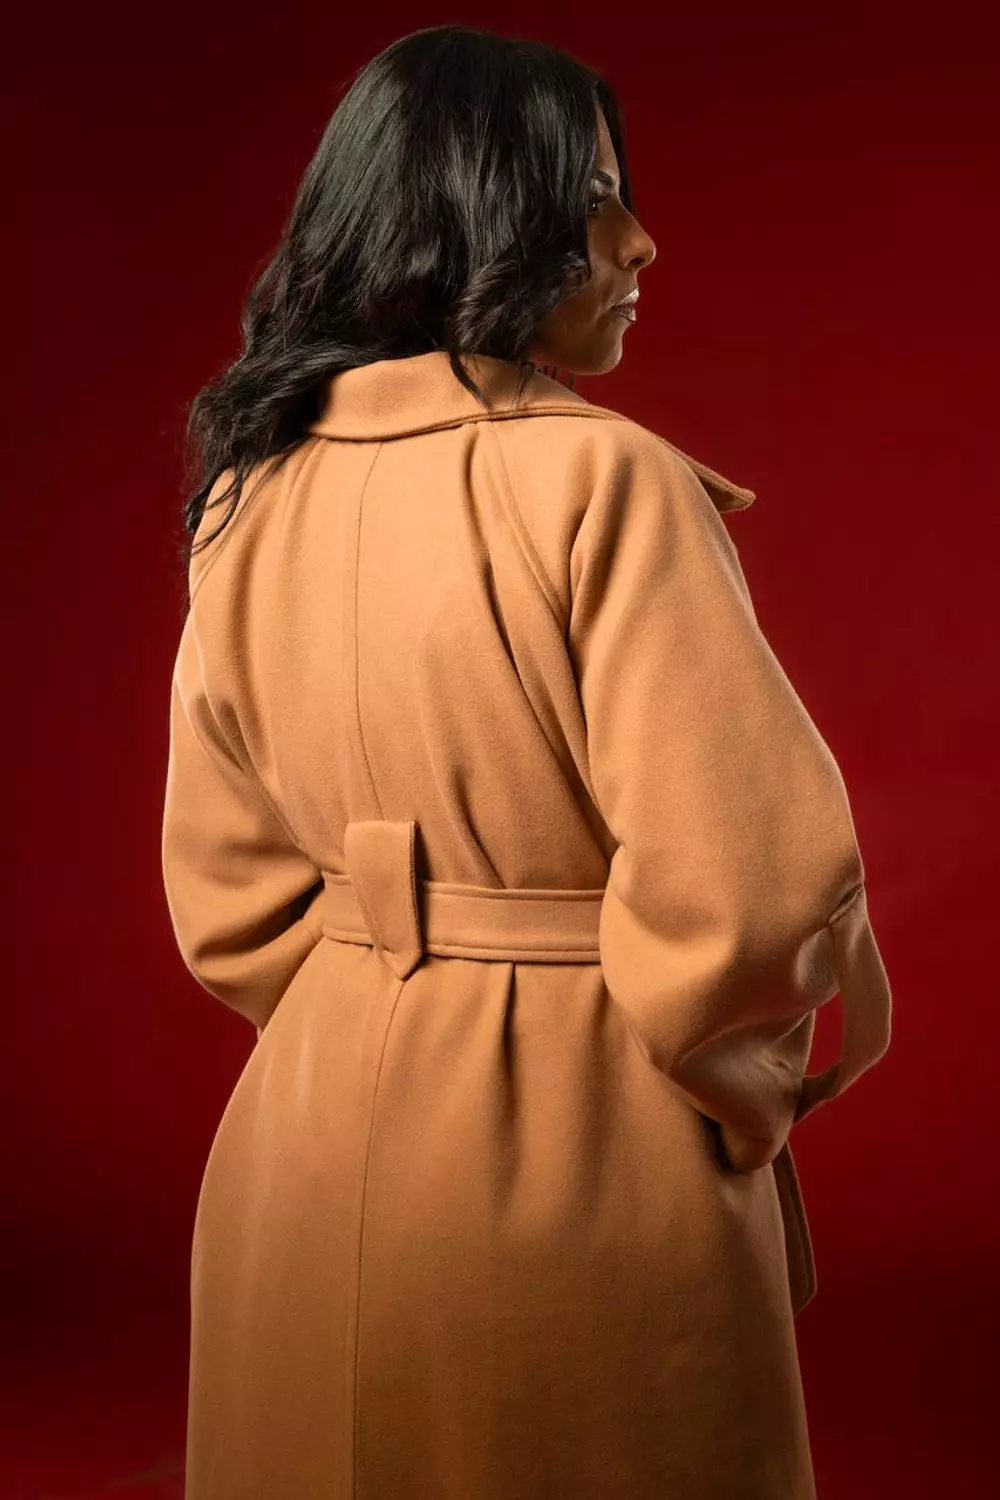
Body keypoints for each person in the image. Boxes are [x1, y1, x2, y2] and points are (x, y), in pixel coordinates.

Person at [161, 22, 892, 1500]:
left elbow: (225, 896)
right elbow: (757, 886)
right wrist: (737, 1103)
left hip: (301, 1151)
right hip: (580, 1151)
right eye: (595, 195)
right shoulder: (602, 477)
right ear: (481, 212)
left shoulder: (251, 492)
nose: (640, 241)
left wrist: (369, 1010)